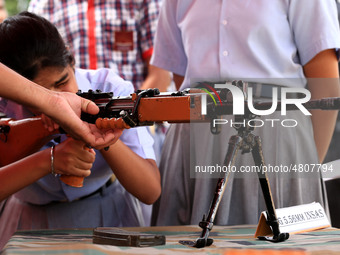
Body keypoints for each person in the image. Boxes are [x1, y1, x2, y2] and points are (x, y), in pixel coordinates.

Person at [150, 0, 340, 227]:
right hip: (195, 142)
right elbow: (181, 76)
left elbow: (326, 84)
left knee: (278, 246)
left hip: (276, 139)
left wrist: (303, 169)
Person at [0, 12, 161, 249]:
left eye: (62, 82)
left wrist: (101, 134)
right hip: (27, 225)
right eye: (40, 96)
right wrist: (50, 159)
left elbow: (149, 190)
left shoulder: (110, 89)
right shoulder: (5, 105)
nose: (60, 101)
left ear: (71, 59)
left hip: (107, 219)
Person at [28, 0, 171, 92]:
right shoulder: (43, 4)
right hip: (66, 124)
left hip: (136, 121)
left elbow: (161, 73)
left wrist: (127, 116)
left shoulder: (141, 2)